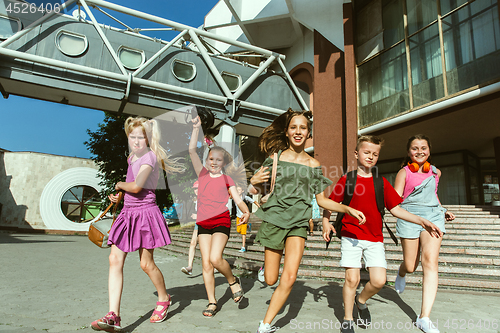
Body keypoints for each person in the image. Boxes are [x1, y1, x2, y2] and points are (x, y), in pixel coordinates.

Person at [249, 109, 366, 333]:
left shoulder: (314, 165)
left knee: (290, 277)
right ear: (286, 132)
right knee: (272, 279)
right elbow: (254, 189)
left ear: (308, 133)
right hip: (275, 220)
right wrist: (252, 181)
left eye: (303, 128)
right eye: (294, 127)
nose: (298, 131)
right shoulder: (275, 159)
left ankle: (264, 325)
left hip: (299, 223)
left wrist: (347, 208)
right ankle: (267, 269)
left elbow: (322, 200)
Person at [322, 135, 443, 333]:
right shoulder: (348, 178)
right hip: (351, 236)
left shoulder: (382, 182)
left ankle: (361, 300)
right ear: (357, 153)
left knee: (378, 281)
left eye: (375, 154)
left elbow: (396, 209)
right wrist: (326, 222)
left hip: (374, 238)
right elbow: (332, 202)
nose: (370, 156)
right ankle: (347, 319)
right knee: (351, 279)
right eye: (366, 152)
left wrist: (422, 221)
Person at [91, 117, 184, 331]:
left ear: (148, 138)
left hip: (145, 214)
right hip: (128, 213)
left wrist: (119, 184)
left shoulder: (150, 157)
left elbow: (136, 186)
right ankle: (113, 315)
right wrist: (119, 196)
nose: (136, 140)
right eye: (132, 136)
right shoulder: (132, 157)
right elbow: (130, 190)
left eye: (141, 137)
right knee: (114, 258)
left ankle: (163, 298)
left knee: (146, 264)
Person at [189, 116, 251, 317]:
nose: (214, 162)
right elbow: (191, 151)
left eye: (218, 160)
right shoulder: (202, 175)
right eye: (211, 159)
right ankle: (212, 302)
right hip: (203, 223)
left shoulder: (227, 178)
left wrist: (246, 211)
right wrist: (196, 129)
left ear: (223, 163)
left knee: (216, 258)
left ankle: (232, 280)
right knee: (206, 263)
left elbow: (237, 199)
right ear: (206, 161)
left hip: (221, 221)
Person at [393, 134, 455, 333]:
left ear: (429, 150)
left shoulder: (436, 173)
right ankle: (402, 271)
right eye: (415, 148)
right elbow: (395, 201)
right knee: (411, 265)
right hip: (409, 216)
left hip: (433, 217)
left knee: (430, 261)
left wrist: (443, 210)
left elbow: (434, 196)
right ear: (408, 152)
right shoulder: (403, 173)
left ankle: (424, 317)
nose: (419, 151)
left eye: (423, 148)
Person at [181, 181, 199, 276]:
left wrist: (198, 216)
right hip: (198, 224)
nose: (196, 190)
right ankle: (190, 267)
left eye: (197, 188)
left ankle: (214, 265)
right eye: (195, 189)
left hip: (208, 225)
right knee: (193, 243)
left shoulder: (207, 198)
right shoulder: (196, 200)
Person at [235, 186, 259, 252]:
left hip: (244, 217)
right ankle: (248, 226)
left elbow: (254, 201)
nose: (238, 191)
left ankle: (243, 247)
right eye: (237, 190)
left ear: (242, 191)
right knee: (238, 230)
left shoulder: (245, 197)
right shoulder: (235, 198)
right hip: (238, 217)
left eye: (239, 190)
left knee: (243, 233)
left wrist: (259, 207)